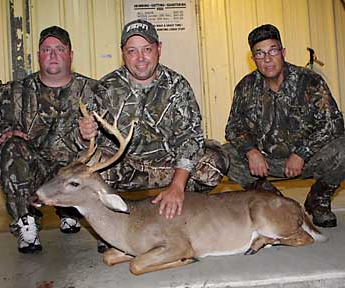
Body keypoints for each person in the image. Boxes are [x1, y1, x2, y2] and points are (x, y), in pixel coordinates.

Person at [79, 19, 228, 223]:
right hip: (127, 169)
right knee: (88, 167)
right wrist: (87, 134)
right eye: (132, 51)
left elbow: (190, 139)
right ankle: (113, 224)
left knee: (214, 163)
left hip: (169, 167)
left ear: (158, 49)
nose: (140, 58)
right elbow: (91, 138)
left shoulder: (177, 86)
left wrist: (177, 185)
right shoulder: (105, 88)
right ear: (123, 53)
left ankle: (185, 206)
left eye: (147, 49)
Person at [0, 26, 106, 253]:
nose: (53, 55)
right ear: (39, 54)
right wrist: (7, 130)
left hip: (75, 169)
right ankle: (27, 222)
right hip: (37, 170)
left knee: (102, 155)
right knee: (11, 148)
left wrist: (92, 134)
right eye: (46, 49)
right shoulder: (18, 90)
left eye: (59, 49)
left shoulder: (92, 90)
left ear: (70, 55)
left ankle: (78, 214)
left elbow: (110, 130)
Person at [223, 24, 345, 228]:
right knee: (224, 154)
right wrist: (251, 151)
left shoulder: (309, 81)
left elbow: (333, 124)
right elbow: (233, 127)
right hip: (265, 162)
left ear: (283, 52)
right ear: (253, 59)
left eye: (273, 51)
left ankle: (319, 200)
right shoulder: (246, 87)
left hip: (306, 160)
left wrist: (302, 153)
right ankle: (273, 201)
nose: (267, 59)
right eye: (260, 54)